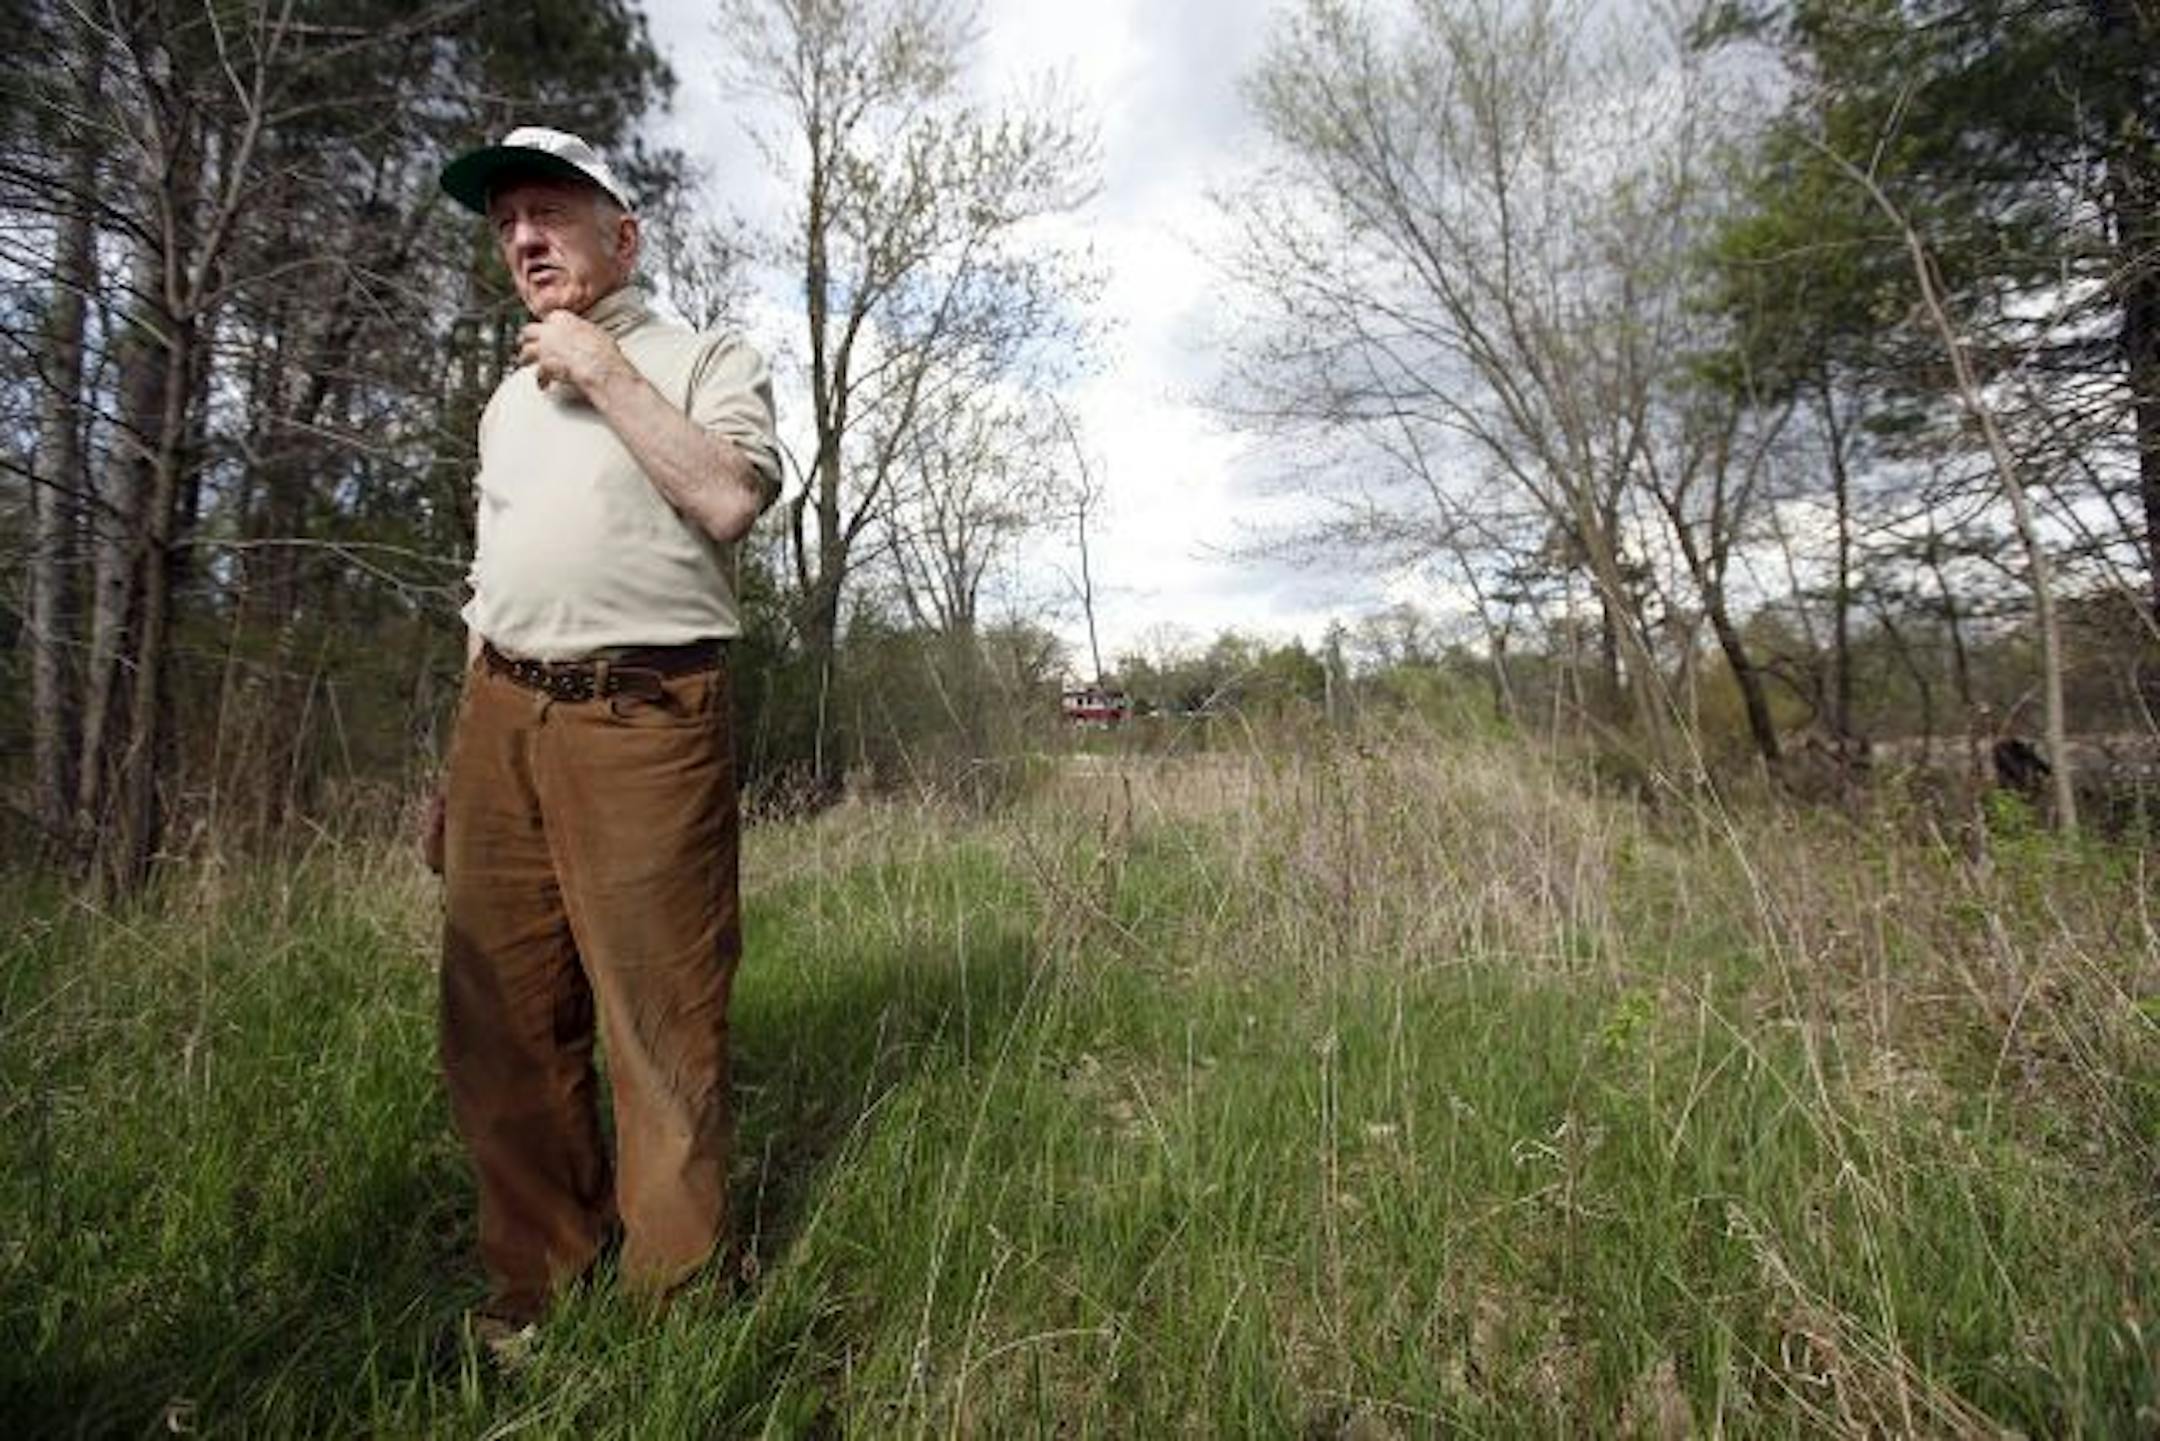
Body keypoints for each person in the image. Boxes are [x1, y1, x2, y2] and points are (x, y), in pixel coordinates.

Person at [429, 126, 780, 1354]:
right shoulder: (504, 400)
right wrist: (456, 768)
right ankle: (539, 1290)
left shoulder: (704, 356)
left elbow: (729, 498)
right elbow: (492, 587)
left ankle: (677, 1318)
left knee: (659, 1024)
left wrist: (605, 369)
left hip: (644, 717)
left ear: (620, 236)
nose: (523, 237)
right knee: (501, 1020)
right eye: (505, 223)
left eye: (548, 213)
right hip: (500, 720)